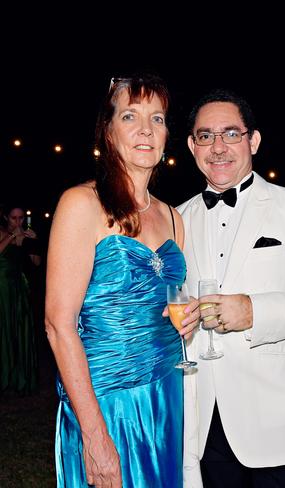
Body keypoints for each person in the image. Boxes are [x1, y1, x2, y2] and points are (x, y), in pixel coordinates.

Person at [178, 89, 285, 488]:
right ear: (191, 146)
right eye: (205, 136)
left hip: (276, 420)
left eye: (231, 134)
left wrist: (254, 311)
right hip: (203, 421)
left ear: (253, 140)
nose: (218, 147)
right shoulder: (177, 219)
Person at [45, 74, 195, 488]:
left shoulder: (173, 218)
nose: (146, 129)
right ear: (108, 133)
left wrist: (187, 321)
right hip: (105, 402)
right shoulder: (82, 204)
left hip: (166, 394)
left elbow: (167, 306)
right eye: (130, 116)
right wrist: (94, 435)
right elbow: (59, 326)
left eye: (158, 118)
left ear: (167, 136)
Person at [0, 205, 40, 394]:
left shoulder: (25, 235)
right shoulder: (2, 233)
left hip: (19, 286)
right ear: (6, 217)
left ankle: (20, 378)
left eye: (21, 218)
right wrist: (12, 236)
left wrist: (34, 242)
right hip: (2, 288)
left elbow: (36, 262)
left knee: (21, 329)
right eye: (14, 218)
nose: (18, 222)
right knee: (4, 329)